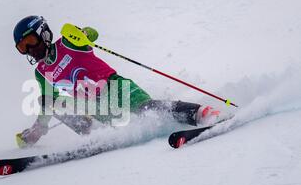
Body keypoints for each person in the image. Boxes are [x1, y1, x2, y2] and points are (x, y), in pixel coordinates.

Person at [13, 15, 220, 148]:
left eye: (31, 41)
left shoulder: (68, 43)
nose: (30, 50)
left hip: (115, 88)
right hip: (96, 108)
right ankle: (91, 133)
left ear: (44, 34)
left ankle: (201, 114)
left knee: (147, 108)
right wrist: (38, 130)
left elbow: (92, 35)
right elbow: (49, 102)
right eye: (23, 47)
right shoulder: (41, 72)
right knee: (47, 101)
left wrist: (83, 33)